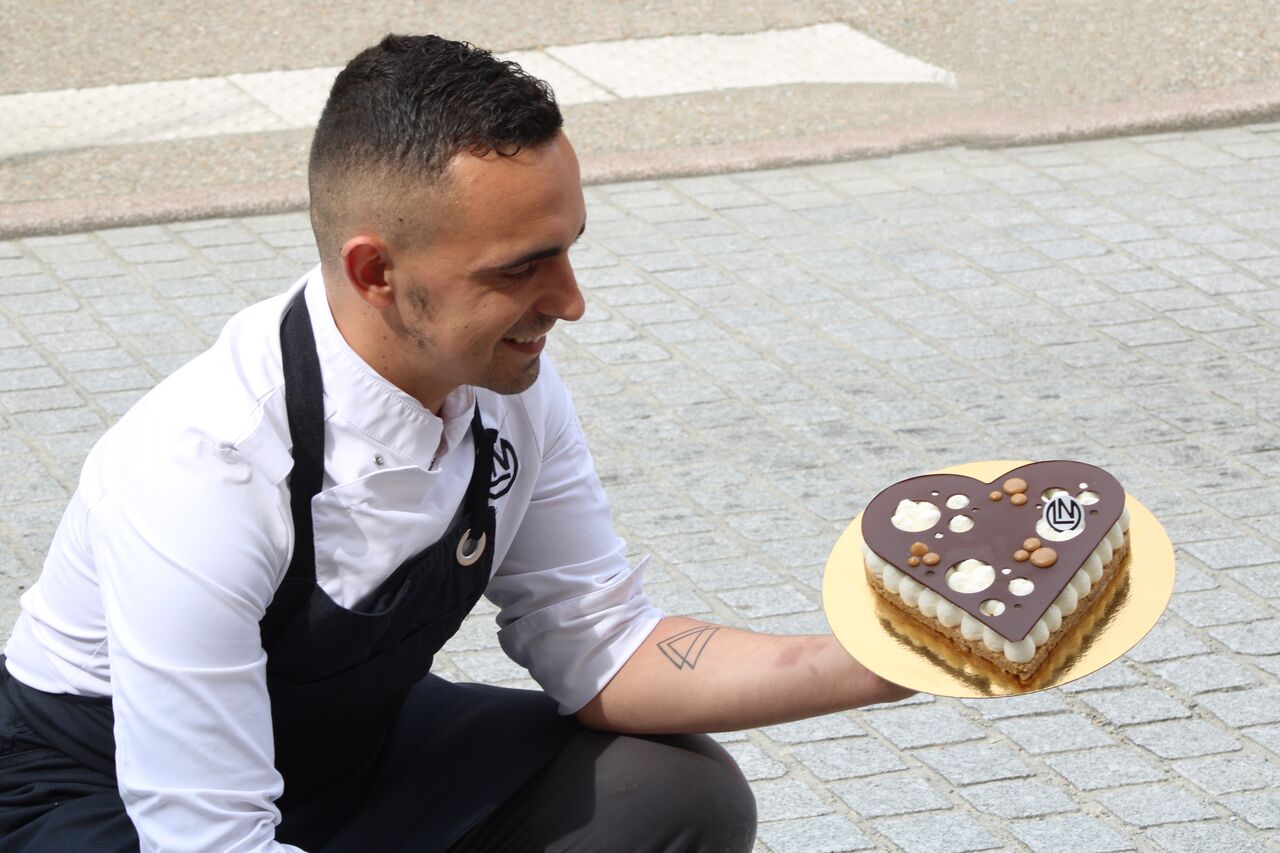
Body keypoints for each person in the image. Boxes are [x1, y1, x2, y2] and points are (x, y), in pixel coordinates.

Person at [0, 34, 912, 852]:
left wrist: (889, 655)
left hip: (342, 756)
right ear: (376, 271)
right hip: (115, 799)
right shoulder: (201, 470)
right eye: (520, 268)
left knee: (673, 794)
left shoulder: (503, 383)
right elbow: (209, 838)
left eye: (567, 249)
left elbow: (601, 646)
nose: (570, 301)